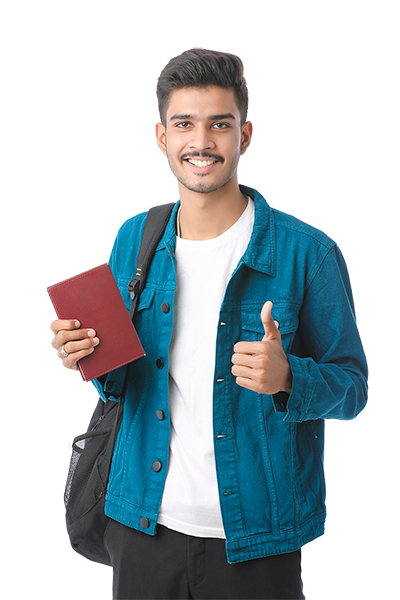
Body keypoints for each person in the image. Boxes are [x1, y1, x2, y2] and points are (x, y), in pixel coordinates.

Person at [51, 48, 368, 600]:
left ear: (245, 135)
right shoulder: (135, 239)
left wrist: (290, 377)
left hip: (256, 538)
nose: (202, 141)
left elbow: (354, 389)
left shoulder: (307, 254)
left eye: (220, 124)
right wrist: (88, 356)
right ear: (161, 136)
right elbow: (124, 383)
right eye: (184, 124)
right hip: (140, 523)